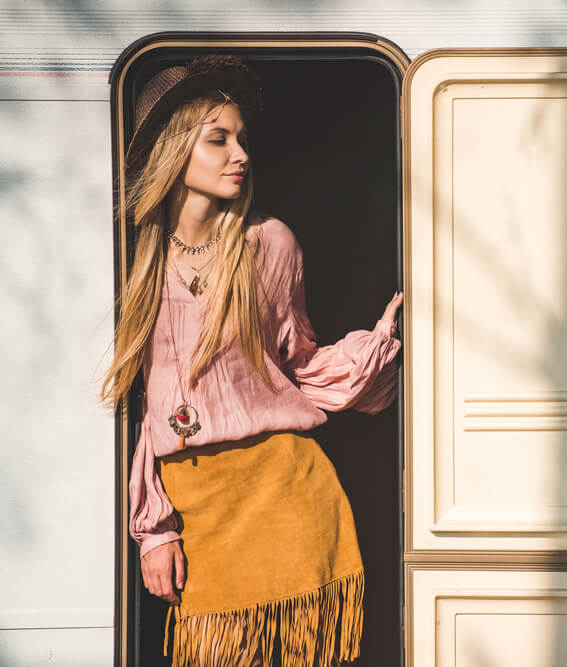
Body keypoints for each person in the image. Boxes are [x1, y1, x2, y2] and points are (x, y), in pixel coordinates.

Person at [101, 55, 402, 666]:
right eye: (219, 140)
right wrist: (153, 530)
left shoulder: (270, 243)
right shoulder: (132, 258)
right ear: (174, 150)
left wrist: (376, 349)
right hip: (198, 502)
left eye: (241, 139)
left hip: (288, 491)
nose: (240, 154)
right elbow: (144, 407)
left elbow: (299, 365)